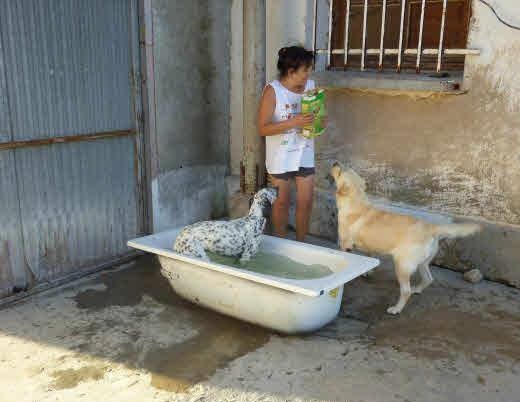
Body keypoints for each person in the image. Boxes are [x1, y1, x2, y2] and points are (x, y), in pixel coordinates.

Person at [257, 46, 326, 242]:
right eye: (305, 69)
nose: (308, 74)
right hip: (281, 157)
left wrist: (319, 120)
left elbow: (320, 118)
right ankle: (280, 245)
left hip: (304, 152)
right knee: (281, 203)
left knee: (306, 202)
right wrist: (293, 122)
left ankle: (301, 244)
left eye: (309, 69)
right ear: (291, 71)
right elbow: (262, 128)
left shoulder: (311, 86)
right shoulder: (273, 91)